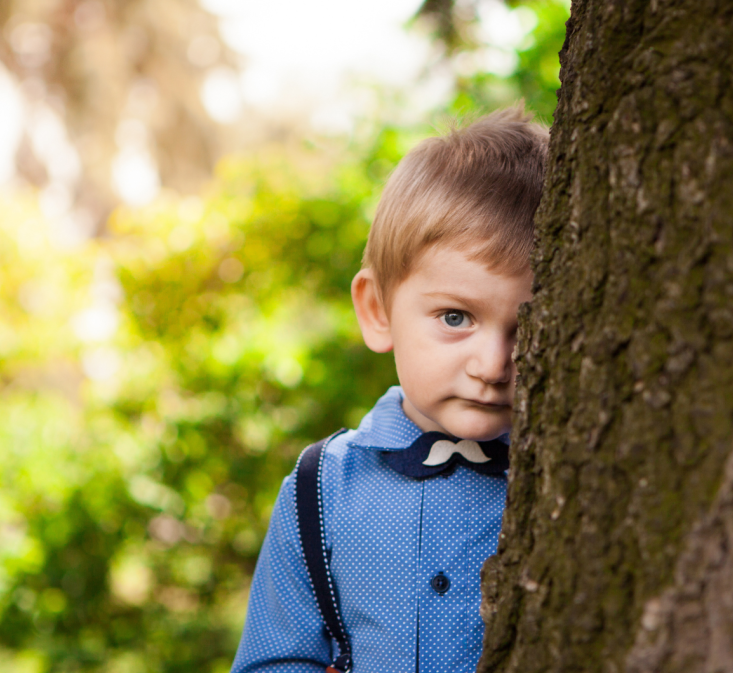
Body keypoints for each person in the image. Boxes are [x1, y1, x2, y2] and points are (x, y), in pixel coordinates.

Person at [231, 107, 548, 673]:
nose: (494, 364)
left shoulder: (562, 477)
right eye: (456, 318)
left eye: (527, 328)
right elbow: (274, 659)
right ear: (377, 311)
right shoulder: (320, 490)